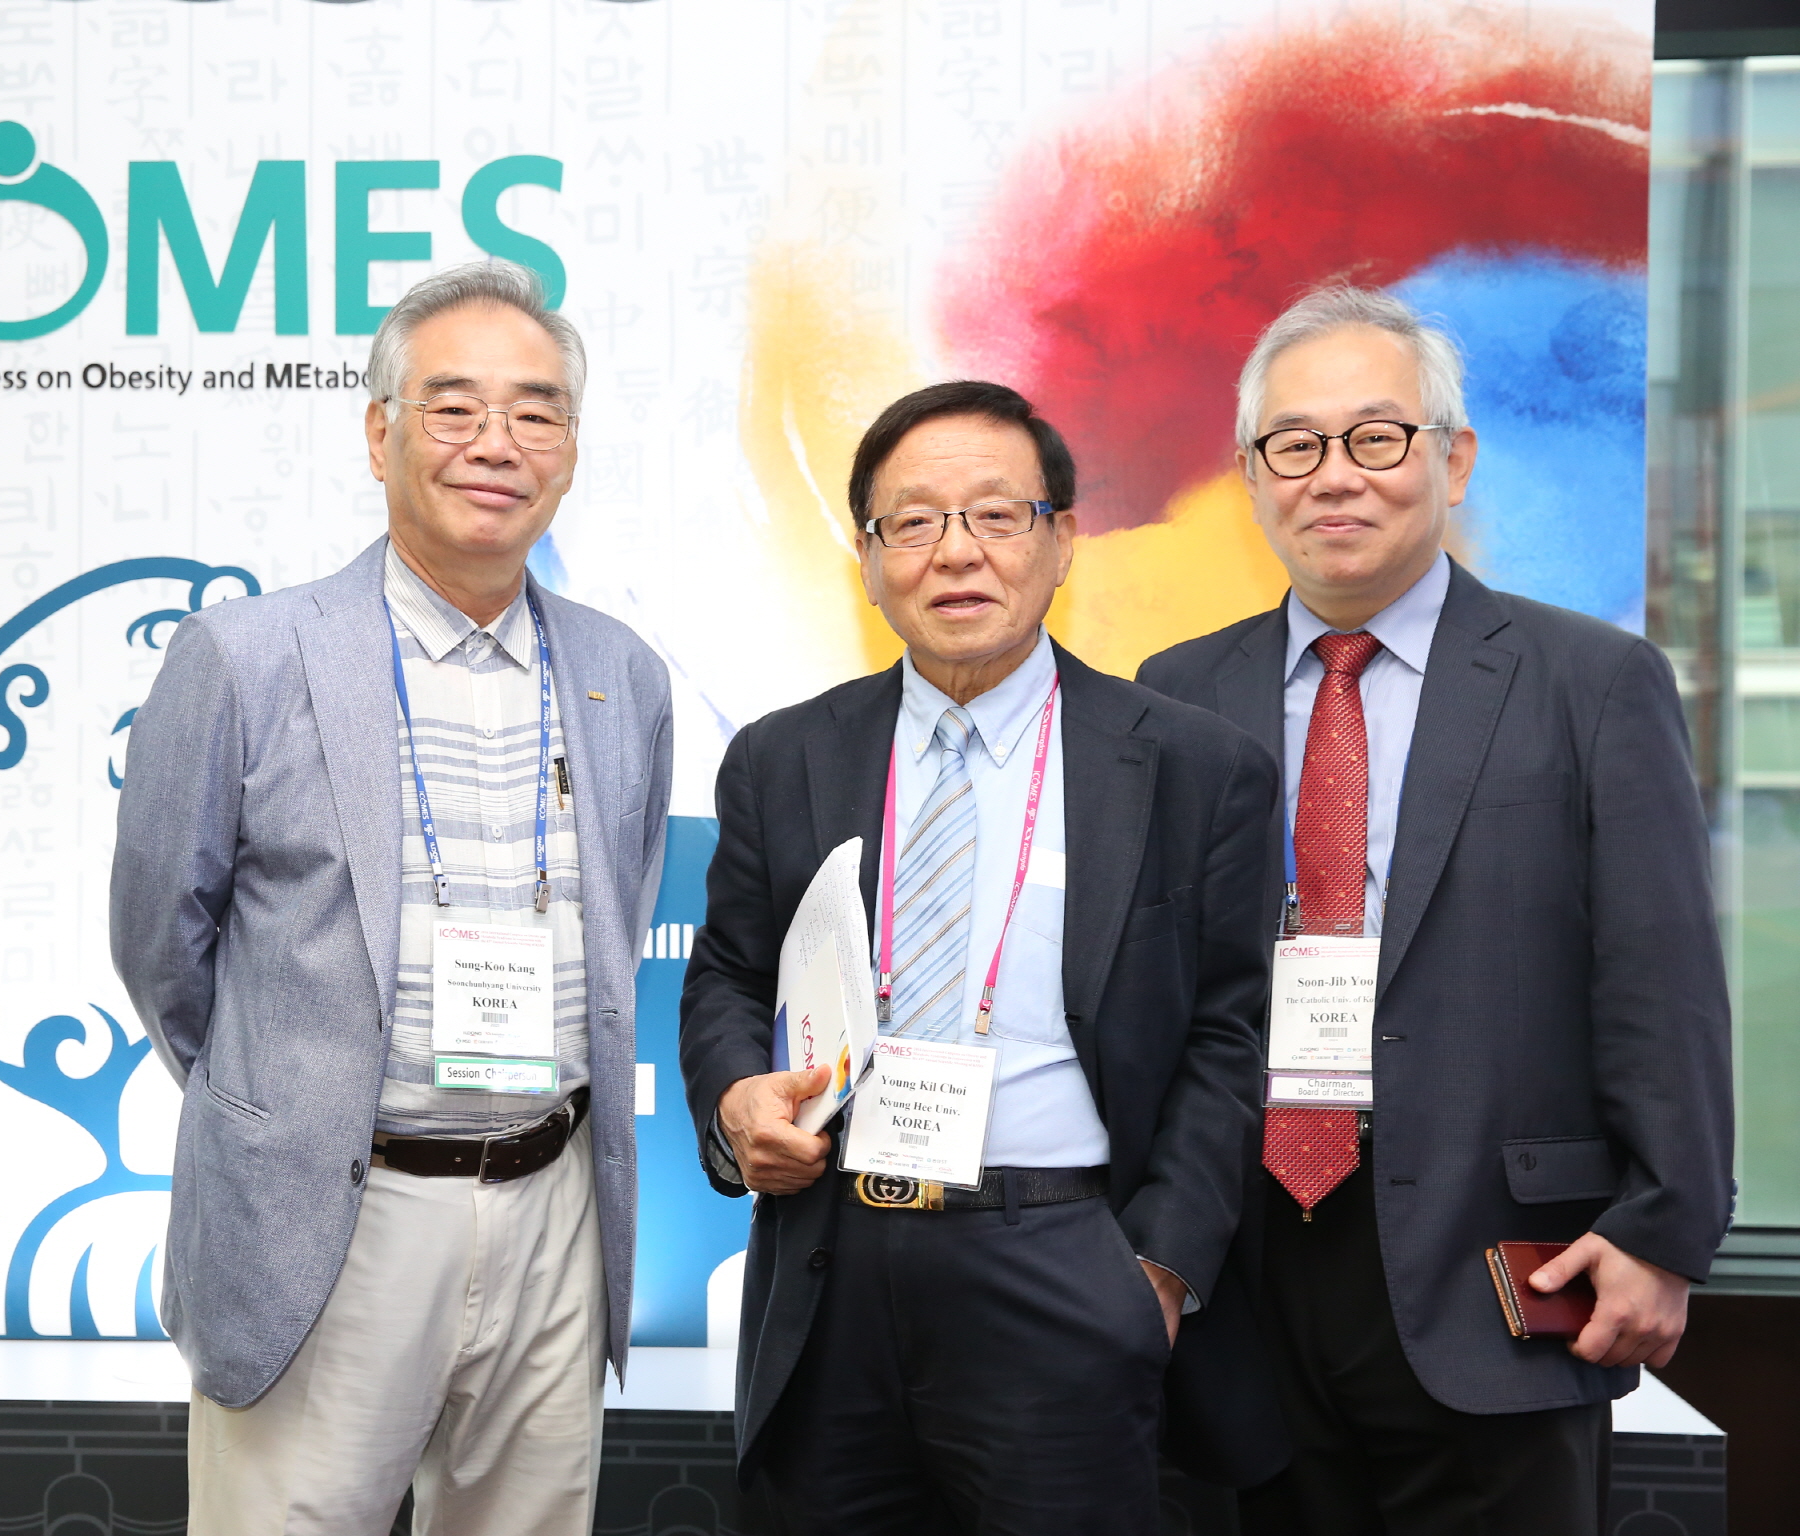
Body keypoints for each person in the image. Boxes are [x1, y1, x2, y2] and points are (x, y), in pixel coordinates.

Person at [1137, 284, 1734, 1535]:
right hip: (1244, 1271)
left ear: (1452, 461)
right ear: (1252, 478)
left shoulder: (1591, 681)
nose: (1334, 475)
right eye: (1293, 445)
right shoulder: (1177, 694)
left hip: (1498, 1263)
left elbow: (1661, 978)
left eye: (1376, 436)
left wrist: (1664, 1230)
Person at [109, 260, 673, 1536]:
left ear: (570, 450)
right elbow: (161, 945)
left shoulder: (621, 672)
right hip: (332, 1210)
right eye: (453, 407)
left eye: (536, 411)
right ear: (380, 434)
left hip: (553, 1205)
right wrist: (284, 1102)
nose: (497, 443)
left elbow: (621, 914)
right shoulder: (247, 657)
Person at [678, 379, 1278, 1534]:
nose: (956, 552)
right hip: (832, 1266)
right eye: (913, 521)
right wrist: (734, 1098)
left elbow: (1225, 1035)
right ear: (868, 558)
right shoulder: (782, 757)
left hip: (1062, 1259)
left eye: (998, 515)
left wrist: (1155, 1272)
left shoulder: (1193, 767)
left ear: (1063, 540)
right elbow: (731, 977)